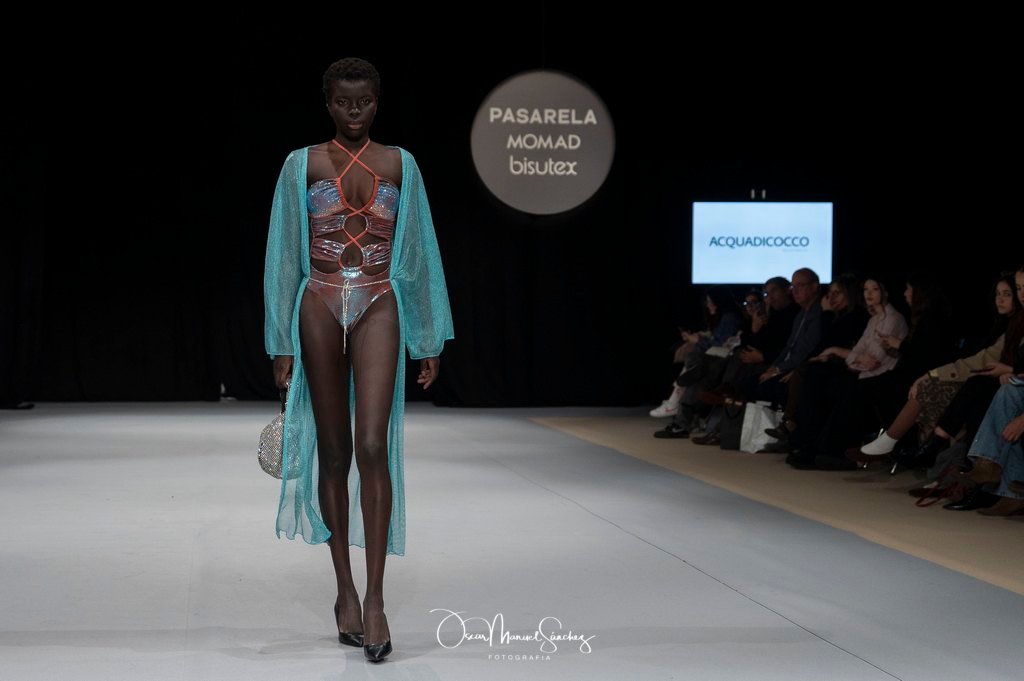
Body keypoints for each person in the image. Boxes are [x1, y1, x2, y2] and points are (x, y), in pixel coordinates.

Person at [263, 57, 455, 662]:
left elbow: (418, 250)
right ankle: (344, 588)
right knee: (334, 448)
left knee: (373, 444)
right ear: (327, 103)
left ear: (377, 101)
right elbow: (282, 252)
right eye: (344, 102)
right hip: (318, 299)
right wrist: (280, 340)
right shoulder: (302, 164)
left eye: (365, 101)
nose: (354, 111)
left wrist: (427, 337)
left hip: (379, 298)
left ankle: (375, 600)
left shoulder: (400, 163)